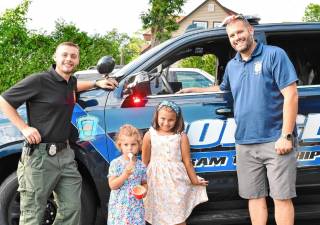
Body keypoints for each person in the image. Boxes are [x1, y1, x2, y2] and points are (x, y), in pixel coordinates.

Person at [178, 15, 299, 225]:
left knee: (281, 197)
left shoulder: (274, 55)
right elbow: (223, 89)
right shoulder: (233, 65)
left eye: (240, 32)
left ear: (250, 31)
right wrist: (192, 89)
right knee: (254, 197)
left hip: (275, 139)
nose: (236, 38)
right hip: (245, 142)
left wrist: (286, 136)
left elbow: (291, 95)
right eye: (232, 35)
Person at [0, 41, 118, 225]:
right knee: (33, 213)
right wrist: (24, 128)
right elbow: (4, 100)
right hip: (39, 157)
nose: (68, 59)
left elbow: (76, 86)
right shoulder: (39, 80)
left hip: (65, 155)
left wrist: (97, 83)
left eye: (73, 56)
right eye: (64, 55)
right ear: (55, 57)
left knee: (72, 209)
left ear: (77, 61)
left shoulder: (69, 82)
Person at [142, 100, 208, 225]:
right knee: (158, 217)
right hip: (155, 181)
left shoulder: (181, 136)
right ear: (157, 116)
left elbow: (187, 161)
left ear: (177, 120)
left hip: (176, 181)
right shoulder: (149, 135)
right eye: (163, 118)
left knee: (177, 216)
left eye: (170, 120)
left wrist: (194, 180)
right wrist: (140, 181)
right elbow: (144, 162)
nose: (166, 123)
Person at [107, 124, 147, 225]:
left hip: (136, 208)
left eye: (133, 144)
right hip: (119, 209)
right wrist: (125, 174)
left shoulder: (141, 165)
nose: (130, 148)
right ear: (120, 145)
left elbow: (144, 183)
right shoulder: (116, 164)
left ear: (139, 145)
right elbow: (112, 185)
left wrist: (144, 190)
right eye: (126, 145)